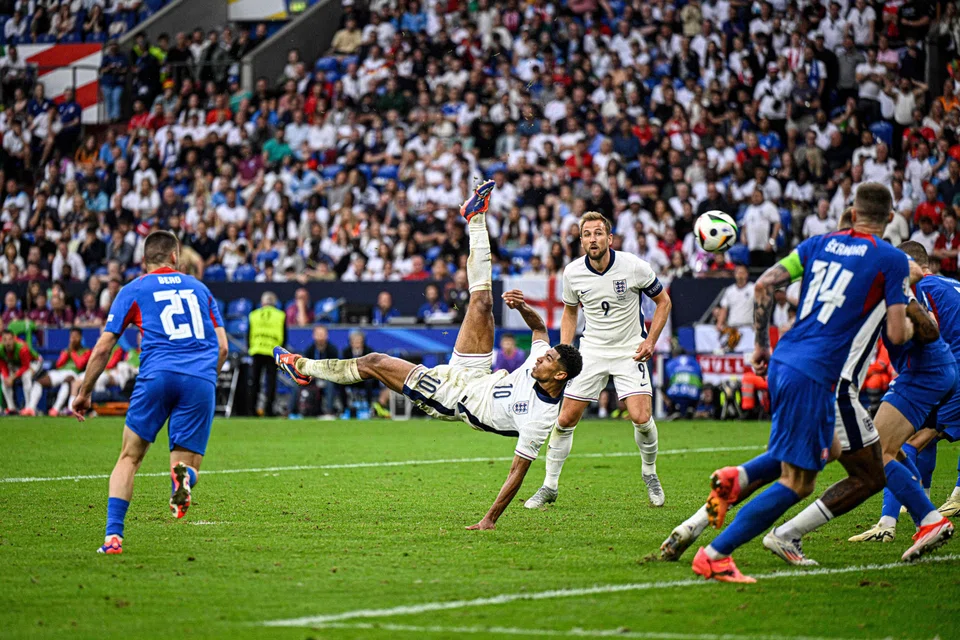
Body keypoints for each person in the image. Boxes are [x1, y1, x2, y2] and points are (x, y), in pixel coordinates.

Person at [275, 182, 582, 529]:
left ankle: (301, 366)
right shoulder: (541, 362)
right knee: (482, 302)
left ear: (559, 376)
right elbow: (540, 332)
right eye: (545, 356)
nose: (540, 358)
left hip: (453, 398)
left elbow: (516, 473)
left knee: (375, 362)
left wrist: (489, 520)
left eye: (548, 360)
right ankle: (475, 217)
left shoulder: (540, 418)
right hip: (477, 373)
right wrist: (523, 308)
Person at [689, 183, 918, 583]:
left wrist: (760, 346)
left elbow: (764, 284)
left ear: (850, 212)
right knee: (798, 482)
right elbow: (897, 335)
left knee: (827, 449)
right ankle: (715, 554)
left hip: (785, 359)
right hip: (815, 373)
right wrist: (915, 316)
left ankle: (733, 480)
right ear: (891, 218)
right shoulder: (890, 258)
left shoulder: (816, 243)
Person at [72, 231, 228, 555]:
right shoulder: (200, 289)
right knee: (185, 466)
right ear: (175, 256)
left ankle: (113, 539)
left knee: (129, 457)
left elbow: (104, 346)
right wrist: (205, 380)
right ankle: (184, 481)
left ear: (144, 260)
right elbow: (223, 347)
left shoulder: (135, 289)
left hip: (156, 376)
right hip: (199, 379)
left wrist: (84, 391)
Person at [523, 210, 672, 510]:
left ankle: (650, 473)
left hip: (630, 349)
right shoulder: (573, 273)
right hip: (591, 351)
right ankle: (549, 486)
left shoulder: (633, 266)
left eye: (598, 233)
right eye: (587, 234)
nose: (593, 239)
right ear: (581, 241)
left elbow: (663, 302)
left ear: (609, 238)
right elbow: (570, 311)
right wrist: (565, 351)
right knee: (564, 420)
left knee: (642, 418)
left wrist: (650, 341)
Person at [247, 292, 287, 417]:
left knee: (254, 382)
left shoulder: (253, 315)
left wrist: (250, 348)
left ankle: (251, 410)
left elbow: (248, 334)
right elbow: (284, 336)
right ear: (275, 303)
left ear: (262, 302)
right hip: (272, 352)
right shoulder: (280, 315)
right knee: (271, 383)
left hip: (257, 350)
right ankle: (269, 410)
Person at [36, 327, 89, 417]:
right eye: (72, 337)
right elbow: (59, 365)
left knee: (67, 381)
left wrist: (72, 352)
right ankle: (30, 408)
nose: (73, 339)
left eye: (76, 336)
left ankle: (56, 409)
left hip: (73, 374)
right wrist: (68, 352)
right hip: (60, 373)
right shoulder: (65, 350)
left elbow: (80, 365)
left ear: (80, 337)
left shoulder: (86, 351)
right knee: (40, 381)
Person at [0, 329, 42, 415]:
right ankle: (11, 408)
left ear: (14, 339)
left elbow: (26, 366)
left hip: (34, 362)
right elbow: (2, 365)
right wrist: (7, 378)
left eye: (10, 339)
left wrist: (12, 377)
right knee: (3, 378)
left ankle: (28, 407)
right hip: (17, 364)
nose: (7, 343)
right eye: (5, 340)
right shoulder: (1, 349)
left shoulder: (22, 348)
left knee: (26, 376)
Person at [300, 325, 340, 417]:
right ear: (314, 336)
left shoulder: (332, 350)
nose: (320, 337)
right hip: (313, 378)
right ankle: (293, 411)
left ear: (326, 336)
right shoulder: (309, 350)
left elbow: (335, 368)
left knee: (330, 383)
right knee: (297, 383)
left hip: (327, 378)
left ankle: (329, 412)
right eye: (318, 334)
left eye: (322, 334)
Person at [714, 264, 754, 330]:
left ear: (747, 274)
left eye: (742, 273)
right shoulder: (729, 290)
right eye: (738, 273)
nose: (740, 275)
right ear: (734, 274)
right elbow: (724, 309)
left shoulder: (753, 289)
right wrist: (719, 323)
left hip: (749, 328)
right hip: (733, 328)